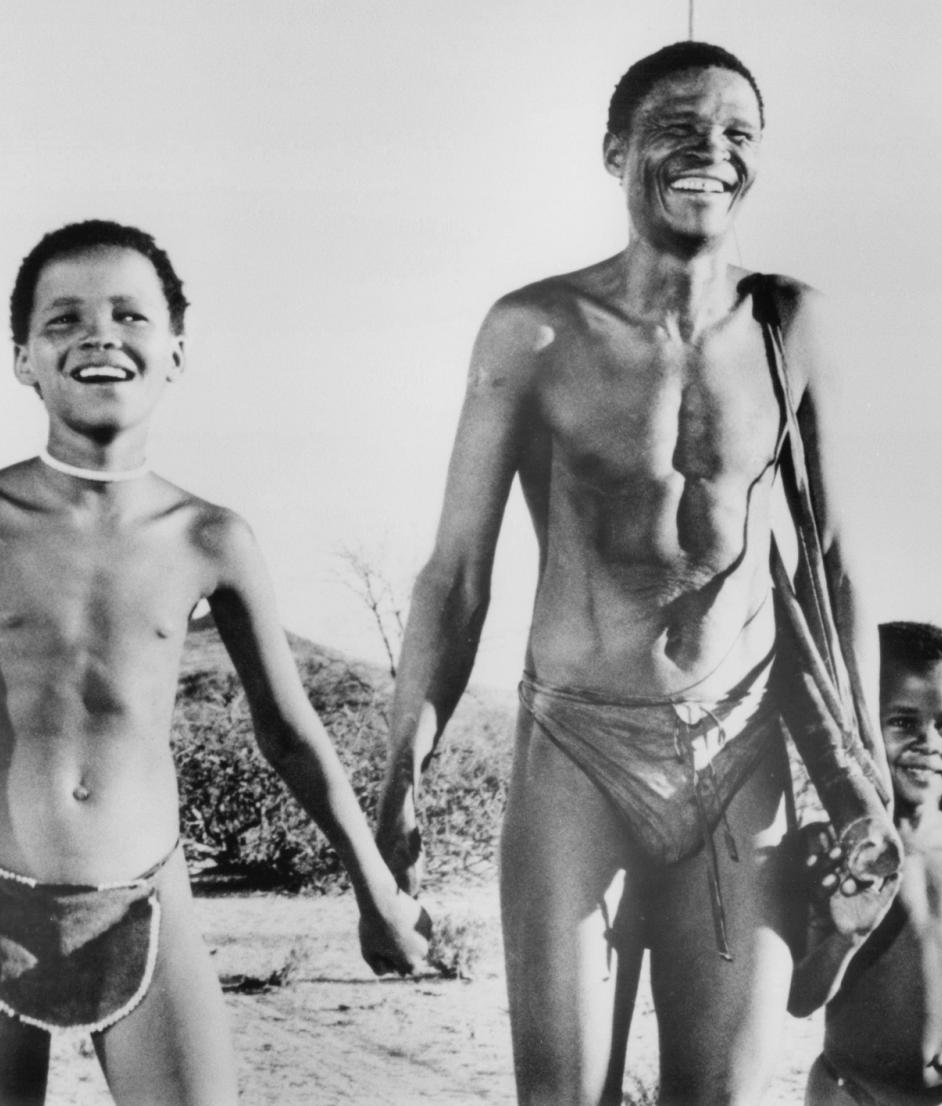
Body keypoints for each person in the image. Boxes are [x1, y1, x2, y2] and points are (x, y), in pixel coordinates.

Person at [377, 42, 896, 1106]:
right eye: (677, 128)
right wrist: (402, 767)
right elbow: (457, 571)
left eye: (738, 134)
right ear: (615, 151)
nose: (712, 151)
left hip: (740, 746)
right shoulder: (535, 330)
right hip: (578, 745)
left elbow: (835, 563)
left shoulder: (789, 323)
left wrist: (870, 778)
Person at [0, 220, 430, 1106]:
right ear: (22, 359)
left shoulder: (211, 537)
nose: (99, 336)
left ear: (176, 353)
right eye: (64, 320)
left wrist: (377, 890)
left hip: (145, 901)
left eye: (130, 315)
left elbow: (289, 733)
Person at [792, 622, 942, 1106]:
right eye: (902, 722)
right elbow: (799, 999)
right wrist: (845, 938)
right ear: (860, 725)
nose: (929, 742)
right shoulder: (833, 848)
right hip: (849, 1096)